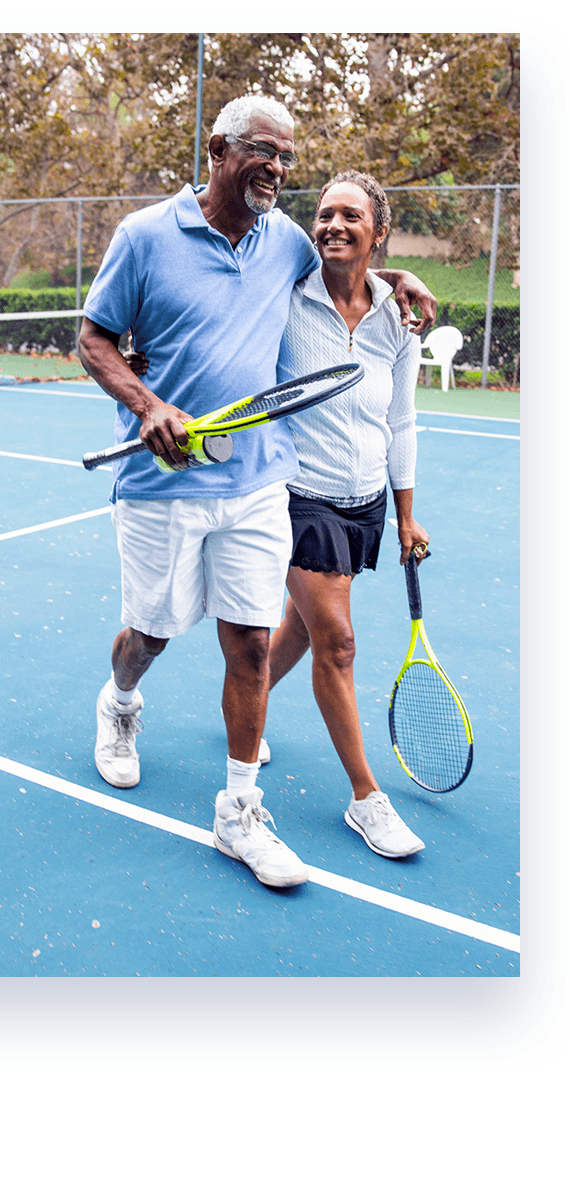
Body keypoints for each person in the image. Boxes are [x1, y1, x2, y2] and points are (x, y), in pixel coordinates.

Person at [78, 95, 436, 890]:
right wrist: (148, 405)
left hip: (257, 482)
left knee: (247, 644)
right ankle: (121, 700)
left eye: (287, 157)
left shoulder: (285, 244)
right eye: (263, 152)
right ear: (217, 148)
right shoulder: (143, 237)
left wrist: (396, 275)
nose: (276, 168)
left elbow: (348, 267)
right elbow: (94, 338)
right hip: (159, 484)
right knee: (153, 635)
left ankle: (239, 810)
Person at [268, 171, 429, 858]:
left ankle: (247, 693)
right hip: (297, 492)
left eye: (351, 216)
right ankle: (367, 798)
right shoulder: (285, 290)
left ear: (377, 232)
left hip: (364, 500)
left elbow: (402, 421)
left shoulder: (399, 316)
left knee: (304, 631)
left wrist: (406, 515)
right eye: (325, 214)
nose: (333, 224)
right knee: (338, 640)